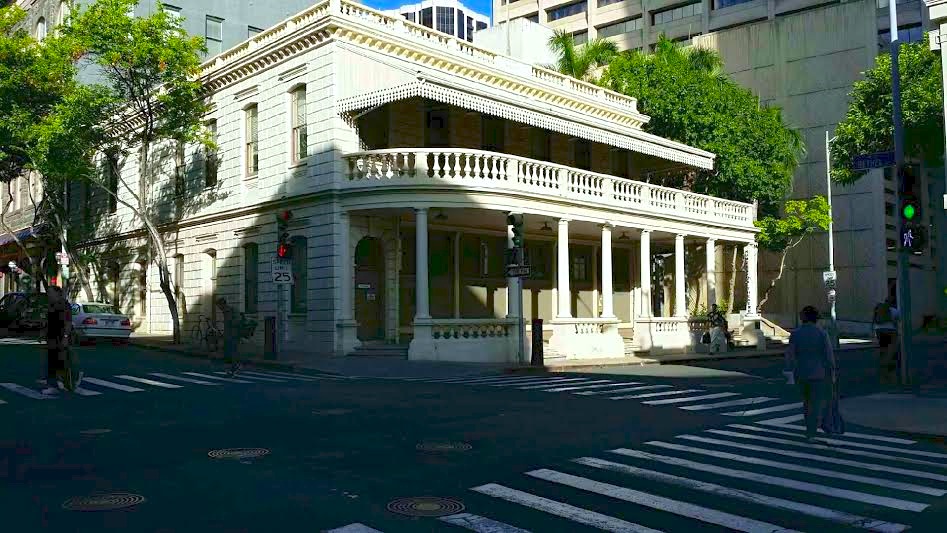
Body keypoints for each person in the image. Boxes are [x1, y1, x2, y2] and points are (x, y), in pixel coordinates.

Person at [784, 305, 837, 441]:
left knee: (807, 402)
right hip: (819, 372)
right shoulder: (821, 333)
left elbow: (790, 355)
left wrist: (789, 371)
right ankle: (815, 428)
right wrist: (832, 372)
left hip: (801, 372)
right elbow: (828, 355)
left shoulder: (795, 334)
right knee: (817, 402)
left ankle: (810, 429)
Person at [43, 286, 69, 395]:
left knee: (60, 361)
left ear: (57, 294)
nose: (48, 295)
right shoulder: (51, 305)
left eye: (50, 293)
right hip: (51, 337)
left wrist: (66, 337)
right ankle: (56, 383)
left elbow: (68, 321)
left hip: (60, 337)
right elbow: (49, 321)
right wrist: (43, 333)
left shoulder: (64, 305)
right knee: (52, 361)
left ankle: (60, 384)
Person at [872, 296, 900, 386]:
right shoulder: (894, 310)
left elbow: (874, 320)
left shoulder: (879, 309)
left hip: (879, 331)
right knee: (892, 350)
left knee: (883, 349)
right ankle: (889, 369)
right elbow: (898, 320)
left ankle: (882, 369)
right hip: (890, 331)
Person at [216, 297, 240, 376]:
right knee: (229, 352)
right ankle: (232, 368)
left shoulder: (229, 311)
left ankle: (233, 368)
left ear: (222, 305)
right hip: (230, 334)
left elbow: (232, 322)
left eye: (219, 306)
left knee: (231, 352)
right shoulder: (227, 311)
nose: (219, 308)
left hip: (232, 335)